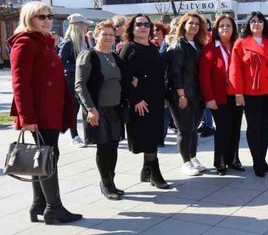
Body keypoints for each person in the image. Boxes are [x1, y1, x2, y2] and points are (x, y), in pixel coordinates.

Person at [8, 1, 82, 224]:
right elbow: (19, 84)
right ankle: (54, 208)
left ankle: (38, 205)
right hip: (39, 114)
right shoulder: (25, 43)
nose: (48, 20)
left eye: (49, 16)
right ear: (28, 19)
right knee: (48, 157)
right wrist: (27, 118)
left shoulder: (43, 43)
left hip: (51, 110)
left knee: (42, 157)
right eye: (41, 17)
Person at [75, 20, 128, 200]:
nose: (107, 37)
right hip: (98, 109)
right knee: (103, 146)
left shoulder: (115, 56)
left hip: (115, 109)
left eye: (111, 34)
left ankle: (111, 181)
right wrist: (90, 109)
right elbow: (80, 85)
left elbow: (122, 79)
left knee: (113, 146)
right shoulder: (88, 56)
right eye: (104, 34)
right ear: (96, 35)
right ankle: (105, 183)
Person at [120, 15, 170, 189]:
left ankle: (145, 171)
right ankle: (155, 173)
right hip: (141, 102)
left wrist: (163, 96)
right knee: (147, 138)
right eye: (138, 24)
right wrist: (136, 99)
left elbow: (157, 74)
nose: (143, 27)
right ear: (132, 28)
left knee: (153, 136)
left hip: (155, 99)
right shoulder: (128, 49)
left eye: (146, 24)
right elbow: (125, 79)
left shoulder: (152, 47)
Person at [230, 11, 268, 177]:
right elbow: (234, 70)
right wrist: (238, 92)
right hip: (251, 93)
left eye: (259, 21)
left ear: (264, 24)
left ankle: (263, 159)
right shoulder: (241, 43)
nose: (256, 24)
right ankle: (256, 160)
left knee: (265, 128)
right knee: (254, 128)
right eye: (253, 21)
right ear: (248, 25)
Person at [200, 14, 246, 175]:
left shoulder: (238, 46)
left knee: (235, 128)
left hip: (237, 95)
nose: (225, 28)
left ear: (233, 29)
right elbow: (204, 76)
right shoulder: (210, 47)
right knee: (223, 128)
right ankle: (220, 162)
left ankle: (233, 159)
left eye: (228, 25)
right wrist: (209, 98)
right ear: (216, 29)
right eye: (221, 26)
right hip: (218, 97)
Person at [167, 12, 208, 176]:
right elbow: (174, 73)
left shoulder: (198, 45)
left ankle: (193, 157)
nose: (194, 26)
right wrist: (181, 95)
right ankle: (185, 162)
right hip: (182, 94)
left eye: (197, 24)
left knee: (193, 129)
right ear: (183, 25)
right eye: (190, 23)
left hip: (197, 94)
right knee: (184, 129)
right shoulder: (178, 45)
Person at [59, 13, 94, 148]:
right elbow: (60, 62)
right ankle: (74, 136)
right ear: (79, 25)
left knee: (88, 106)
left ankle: (90, 134)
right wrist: (78, 68)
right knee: (74, 108)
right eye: (85, 24)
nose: (87, 26)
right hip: (72, 81)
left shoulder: (85, 40)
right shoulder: (68, 42)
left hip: (85, 80)